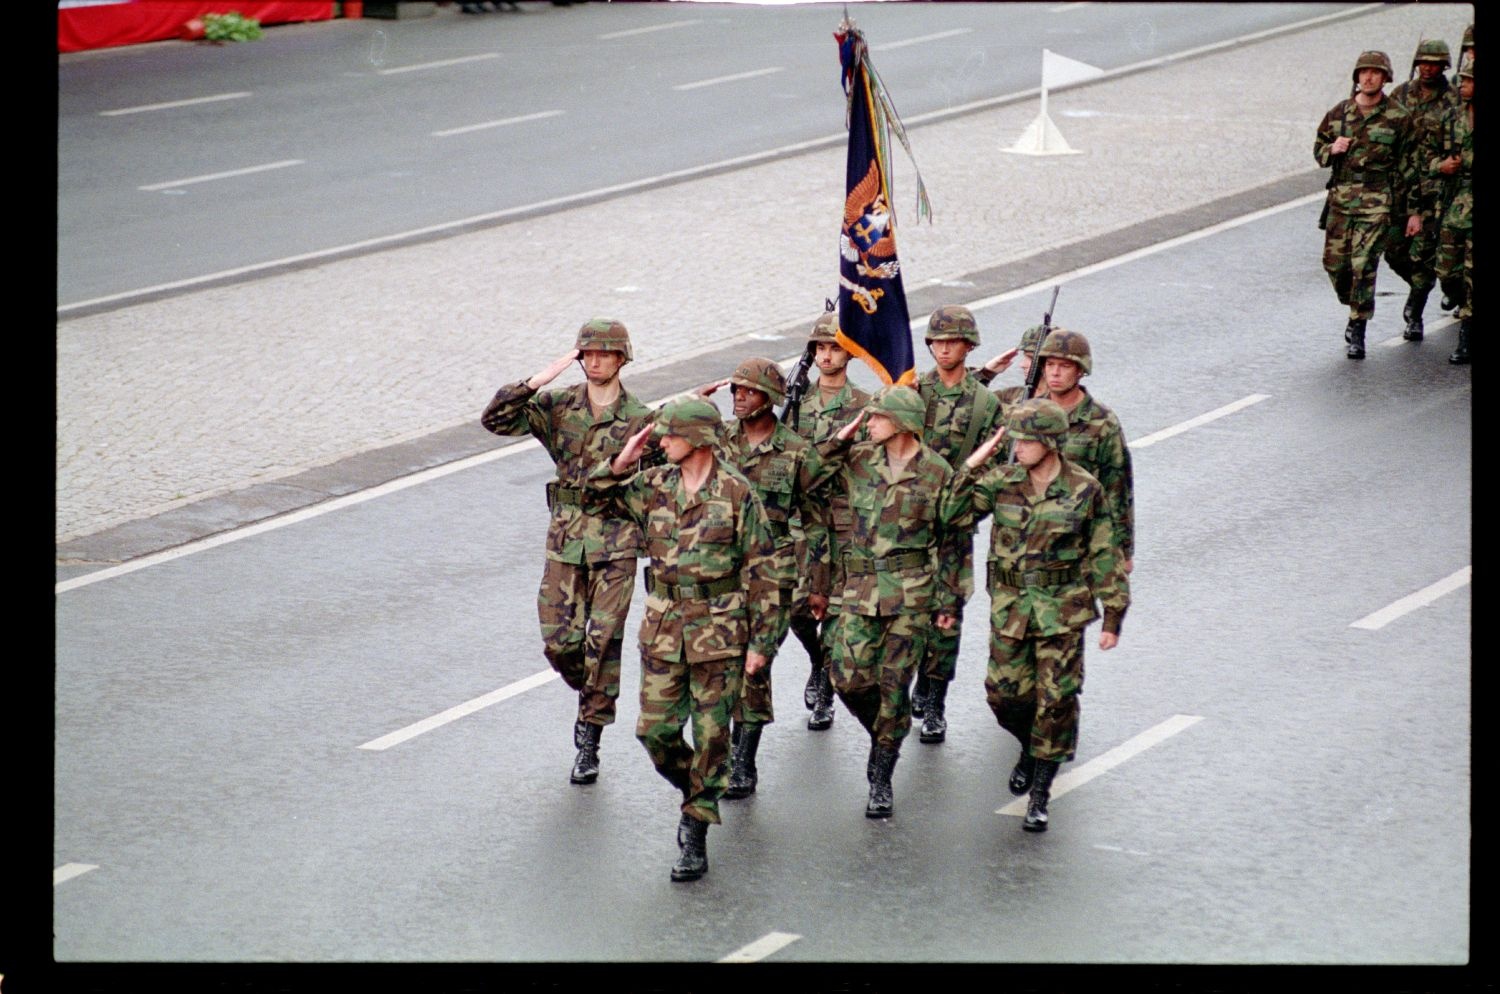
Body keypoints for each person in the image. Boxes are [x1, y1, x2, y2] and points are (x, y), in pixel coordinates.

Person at [589, 397, 779, 881]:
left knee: (713, 736)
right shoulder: (654, 485)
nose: (661, 441)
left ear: (696, 438)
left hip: (719, 632)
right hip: (663, 628)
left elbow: (763, 572)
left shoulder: (737, 494)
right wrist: (623, 460)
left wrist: (762, 643)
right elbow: (594, 493)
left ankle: (695, 826)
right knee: (654, 732)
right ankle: (697, 790)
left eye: (668, 434)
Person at [479, 319, 656, 787]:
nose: (594, 361)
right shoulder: (559, 406)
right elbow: (495, 421)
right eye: (586, 354)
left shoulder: (640, 418)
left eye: (603, 353)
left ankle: (589, 738)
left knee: (603, 641)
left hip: (616, 543)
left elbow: (664, 481)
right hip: (565, 540)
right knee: (560, 643)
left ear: (622, 358)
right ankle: (592, 696)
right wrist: (540, 378)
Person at [948, 398, 1129, 833]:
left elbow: (1104, 551)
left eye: (1026, 439)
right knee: (1003, 696)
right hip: (1011, 609)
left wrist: (1113, 615)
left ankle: (1041, 793)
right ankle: (1030, 745)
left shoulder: (1084, 489)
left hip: (1062, 610)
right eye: (1016, 438)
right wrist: (975, 462)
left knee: (1057, 700)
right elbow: (950, 513)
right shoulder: (1003, 481)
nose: (1018, 446)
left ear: (1049, 441)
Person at [809, 386, 966, 818]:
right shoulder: (857, 461)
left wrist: (950, 601)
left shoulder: (937, 472)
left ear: (900, 422)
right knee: (848, 678)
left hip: (910, 595)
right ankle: (888, 730)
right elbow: (807, 478)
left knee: (895, 685)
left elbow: (954, 540)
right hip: (858, 590)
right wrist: (839, 439)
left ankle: (881, 776)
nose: (868, 422)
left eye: (876, 417)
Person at [694, 357, 827, 798]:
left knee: (754, 665)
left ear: (770, 399)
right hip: (719, 568)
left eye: (747, 391)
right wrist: (693, 404)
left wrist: (820, 582)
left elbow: (816, 520)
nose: (738, 398)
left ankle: (743, 763)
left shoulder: (796, 452)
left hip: (771, 573)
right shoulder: (718, 441)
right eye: (735, 390)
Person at [911, 306, 1004, 744]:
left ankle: (935, 701)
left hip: (955, 522)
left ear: (968, 347)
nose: (943, 348)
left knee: (946, 612)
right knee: (909, 607)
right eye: (936, 341)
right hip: (909, 519)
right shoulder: (911, 392)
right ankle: (916, 679)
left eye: (952, 341)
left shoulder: (985, 403)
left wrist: (971, 507)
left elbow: (997, 464)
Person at [784, 312, 872, 732]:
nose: (825, 355)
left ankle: (827, 691)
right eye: (819, 347)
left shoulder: (863, 405)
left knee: (837, 616)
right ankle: (818, 661)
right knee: (797, 609)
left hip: (844, 523)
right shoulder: (795, 403)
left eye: (834, 347)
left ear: (848, 353)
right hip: (804, 522)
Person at [1314, 50, 1418, 359]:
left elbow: (1410, 166)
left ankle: (1358, 326)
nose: (1368, 77)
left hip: (1377, 202)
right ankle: (1353, 302)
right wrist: (1332, 149)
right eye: (1363, 72)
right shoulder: (1339, 113)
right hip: (1341, 201)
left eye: (1375, 73)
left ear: (1386, 78)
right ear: (1357, 77)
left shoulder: (1399, 118)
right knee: (1335, 266)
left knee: (1364, 265)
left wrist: (1414, 211)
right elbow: (1318, 148)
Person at [1032, 329, 1135, 575]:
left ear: (1080, 370)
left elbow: (1117, 486)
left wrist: (1122, 548)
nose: (1055, 373)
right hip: (1032, 537)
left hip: (1080, 541)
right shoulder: (1029, 413)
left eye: (1065, 366)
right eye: (1050, 364)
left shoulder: (1101, 421)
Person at [1385, 40, 1455, 342]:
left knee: (1424, 252)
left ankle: (1414, 313)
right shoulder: (1401, 94)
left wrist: (1441, 167)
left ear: (1444, 66)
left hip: (1434, 191)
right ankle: (1425, 282)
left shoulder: (1453, 101)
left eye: (1434, 63)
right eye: (1423, 62)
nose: (1427, 68)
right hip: (1400, 187)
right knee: (1394, 250)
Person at [1427, 56, 1473, 363]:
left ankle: (1466, 338)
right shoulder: (1451, 118)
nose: (1463, 85)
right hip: (1455, 201)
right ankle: (1456, 296)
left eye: (1469, 81)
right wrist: (1439, 166)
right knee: (1447, 269)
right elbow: (1427, 155)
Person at [975, 324, 1046, 406]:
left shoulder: (1059, 404)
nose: (1022, 365)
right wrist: (985, 373)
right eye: (1025, 357)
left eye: (1031, 358)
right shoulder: (1012, 396)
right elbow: (965, 404)